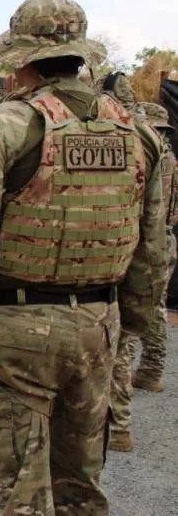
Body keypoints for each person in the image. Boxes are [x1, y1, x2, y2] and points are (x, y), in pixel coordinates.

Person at [0, 0, 168, 515]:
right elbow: (153, 249)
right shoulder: (138, 132)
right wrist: (130, 323)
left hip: (13, 328)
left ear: (21, 61)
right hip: (99, 324)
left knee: (20, 492)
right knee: (81, 486)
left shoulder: (4, 125)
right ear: (80, 58)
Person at [107, 101, 178, 452]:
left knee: (123, 334)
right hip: (163, 240)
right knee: (156, 309)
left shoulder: (140, 152)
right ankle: (152, 371)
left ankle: (117, 424)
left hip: (141, 240)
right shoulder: (169, 158)